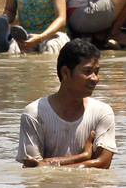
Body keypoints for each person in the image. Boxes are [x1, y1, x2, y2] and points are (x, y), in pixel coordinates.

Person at [16, 38, 116, 167]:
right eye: (87, 72)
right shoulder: (34, 114)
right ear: (65, 72)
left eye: (96, 72)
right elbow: (33, 168)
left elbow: (103, 163)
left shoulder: (102, 112)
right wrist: (83, 156)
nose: (95, 79)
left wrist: (47, 165)